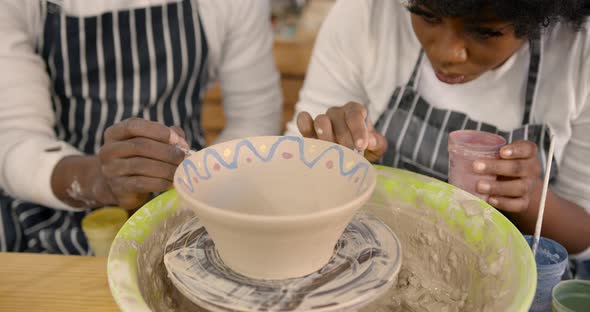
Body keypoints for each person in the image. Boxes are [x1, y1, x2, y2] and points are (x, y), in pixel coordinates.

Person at [286, 0, 590, 269]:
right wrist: (338, 162)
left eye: (485, 32)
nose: (448, 54)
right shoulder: (367, 13)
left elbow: (583, 237)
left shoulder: (579, 53)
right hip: (373, 260)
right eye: (426, 15)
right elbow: (292, 166)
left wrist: (530, 197)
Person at [0, 0, 282, 254]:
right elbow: (13, 135)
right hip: (59, 201)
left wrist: (203, 178)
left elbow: (253, 118)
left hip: (185, 202)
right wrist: (99, 180)